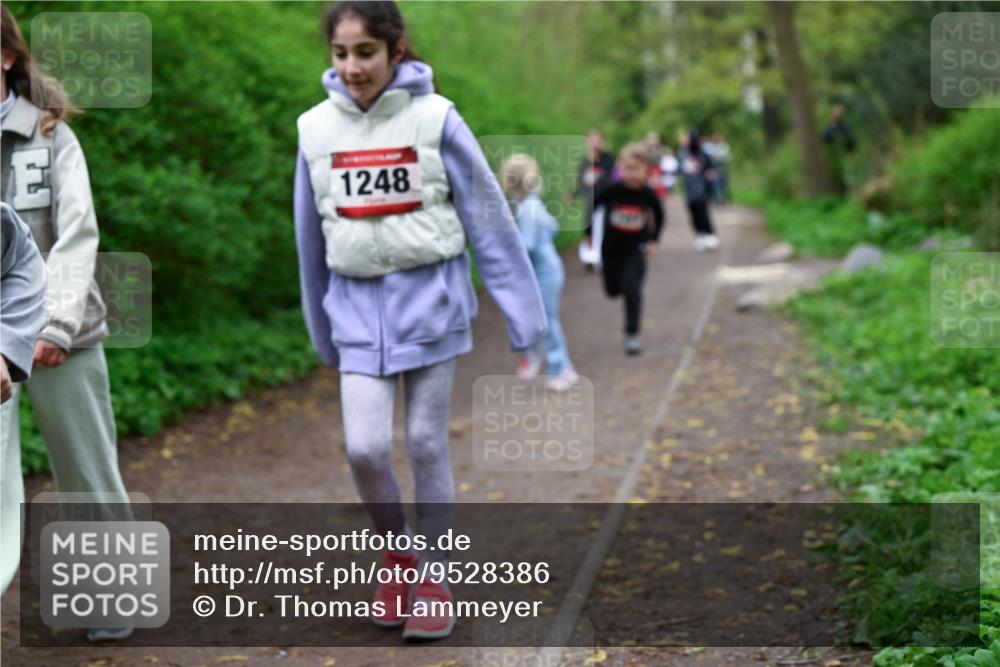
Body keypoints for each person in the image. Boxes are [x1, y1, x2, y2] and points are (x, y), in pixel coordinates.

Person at [294, 1, 546, 640]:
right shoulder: (314, 130)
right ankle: (399, 558)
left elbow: (489, 217)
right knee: (364, 448)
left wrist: (523, 316)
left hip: (432, 306)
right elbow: (308, 237)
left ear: (395, 50)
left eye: (366, 53)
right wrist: (320, 327)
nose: (352, 67)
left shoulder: (436, 118)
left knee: (427, 442)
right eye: (341, 53)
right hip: (354, 314)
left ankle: (435, 576)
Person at [1, 7, 132, 640]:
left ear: (6, 57)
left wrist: (53, 325)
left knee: (86, 470)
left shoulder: (51, 137)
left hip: (63, 336)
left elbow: (77, 235)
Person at [0, 203, 48, 595]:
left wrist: (6, 345)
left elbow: (20, 253)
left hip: (69, 336)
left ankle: (112, 602)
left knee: (87, 473)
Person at [500, 154, 578, 391]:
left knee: (546, 322)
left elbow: (528, 245)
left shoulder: (526, 208)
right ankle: (550, 361)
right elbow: (553, 229)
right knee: (545, 321)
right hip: (549, 269)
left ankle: (559, 368)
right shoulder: (533, 203)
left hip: (544, 273)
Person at [584, 143, 665, 356]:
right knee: (612, 291)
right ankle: (621, 285)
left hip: (635, 250)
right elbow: (592, 206)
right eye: (627, 168)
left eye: (635, 168)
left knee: (632, 289)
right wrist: (588, 233)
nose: (631, 174)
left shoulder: (648, 195)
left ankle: (632, 334)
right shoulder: (612, 190)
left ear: (645, 170)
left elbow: (659, 216)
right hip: (610, 250)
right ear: (620, 168)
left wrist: (654, 241)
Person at [573, 129, 615, 271]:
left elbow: (609, 179)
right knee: (588, 229)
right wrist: (574, 194)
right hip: (590, 201)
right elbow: (581, 182)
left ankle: (603, 256)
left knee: (602, 228)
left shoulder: (607, 158)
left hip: (604, 201)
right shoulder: (584, 161)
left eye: (596, 140)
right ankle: (589, 257)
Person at [679, 130, 719, 251]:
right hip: (689, 191)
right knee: (693, 214)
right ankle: (700, 235)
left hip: (701, 190)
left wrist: (709, 184)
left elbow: (711, 170)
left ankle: (710, 234)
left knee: (703, 214)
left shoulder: (702, 154)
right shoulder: (682, 154)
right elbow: (679, 170)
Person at [823, 104, 856, 194]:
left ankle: (847, 193)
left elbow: (851, 142)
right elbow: (826, 140)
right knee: (837, 178)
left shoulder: (846, 127)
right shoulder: (830, 128)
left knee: (847, 178)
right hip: (834, 157)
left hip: (845, 156)